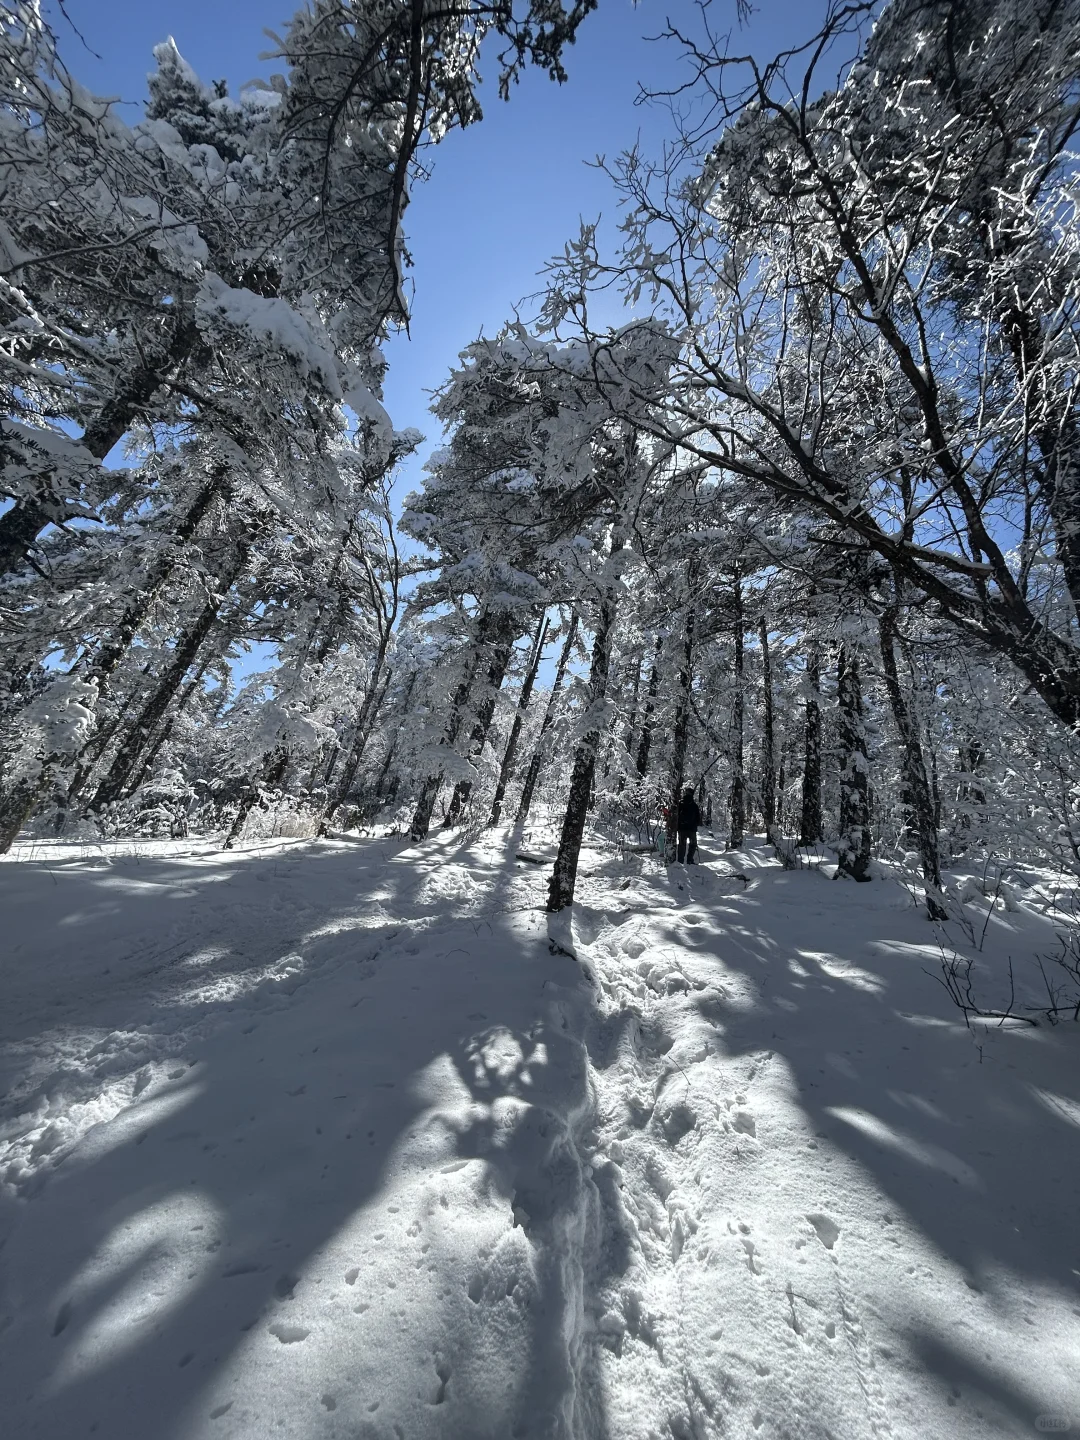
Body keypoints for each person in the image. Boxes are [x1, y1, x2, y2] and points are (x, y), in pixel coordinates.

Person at [676, 786, 701, 864]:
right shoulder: (694, 805)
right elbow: (698, 818)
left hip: (682, 828)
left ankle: (680, 860)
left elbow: (676, 815)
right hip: (691, 829)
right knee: (693, 844)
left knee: (681, 845)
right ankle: (690, 859)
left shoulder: (680, 803)